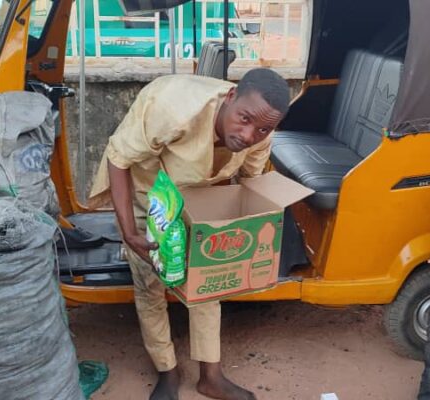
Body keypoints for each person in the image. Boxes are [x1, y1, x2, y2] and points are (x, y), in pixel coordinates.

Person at [89, 68, 290, 400]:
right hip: (149, 196)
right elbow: (119, 158)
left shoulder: (260, 133)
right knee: (150, 284)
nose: (249, 134)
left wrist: (245, 236)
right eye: (244, 119)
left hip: (201, 198)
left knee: (208, 281)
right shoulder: (172, 109)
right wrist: (129, 233)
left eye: (263, 129)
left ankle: (211, 376)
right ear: (231, 97)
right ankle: (168, 371)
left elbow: (251, 185)